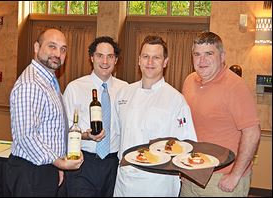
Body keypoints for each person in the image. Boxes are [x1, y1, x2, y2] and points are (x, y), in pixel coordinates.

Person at [113, 35, 197, 197]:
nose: (150, 62)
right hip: (125, 177)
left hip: (158, 181)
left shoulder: (176, 100)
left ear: (165, 62)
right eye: (145, 57)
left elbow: (187, 143)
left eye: (156, 57)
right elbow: (117, 134)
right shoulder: (124, 93)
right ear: (139, 60)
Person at [181, 32, 261, 197]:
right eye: (197, 54)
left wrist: (235, 175)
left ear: (222, 56)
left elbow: (252, 133)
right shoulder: (189, 81)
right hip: (192, 172)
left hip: (222, 178)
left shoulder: (235, 86)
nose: (202, 60)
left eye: (209, 54)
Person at [7, 28, 84, 197]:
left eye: (63, 49)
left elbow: (51, 130)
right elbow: (26, 136)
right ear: (36, 47)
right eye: (52, 46)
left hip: (44, 168)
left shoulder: (48, 81)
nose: (58, 53)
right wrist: (58, 162)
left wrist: (56, 164)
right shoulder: (31, 84)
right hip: (31, 173)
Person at [63, 36, 128, 197]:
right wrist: (86, 135)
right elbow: (63, 128)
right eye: (100, 55)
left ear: (116, 60)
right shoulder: (75, 88)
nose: (105, 61)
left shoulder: (126, 89)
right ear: (91, 58)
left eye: (110, 56)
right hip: (83, 162)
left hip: (114, 164)